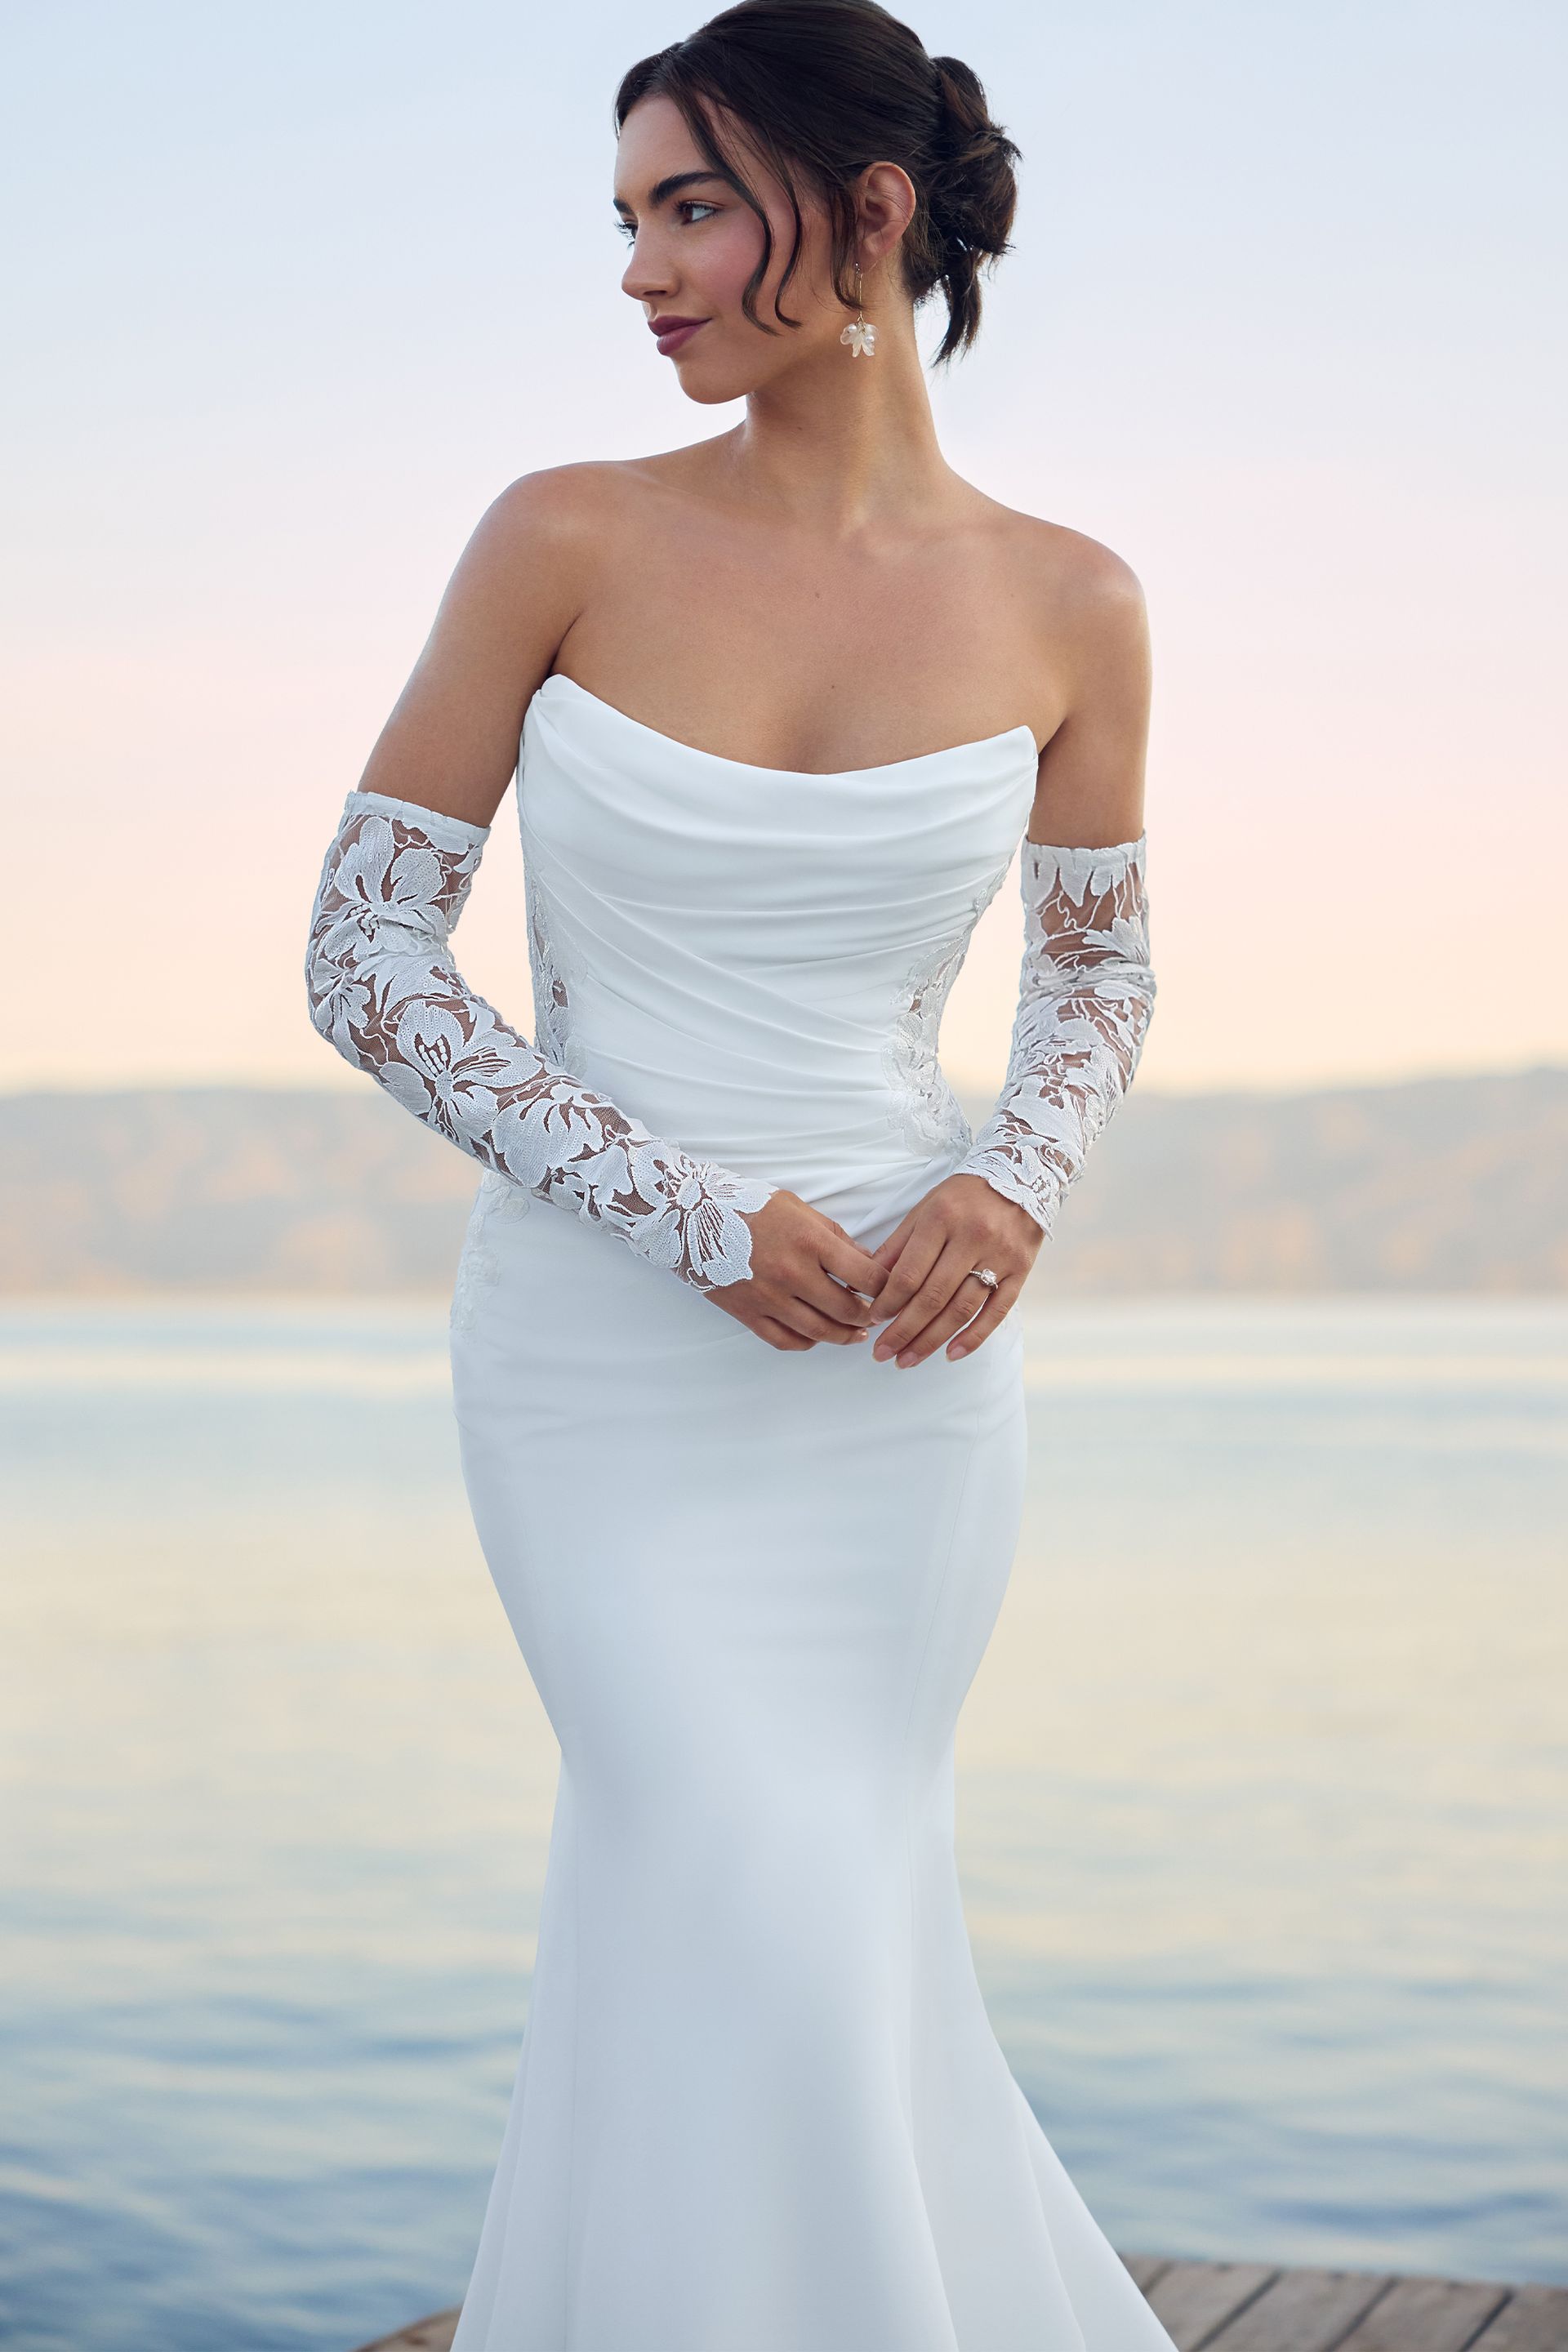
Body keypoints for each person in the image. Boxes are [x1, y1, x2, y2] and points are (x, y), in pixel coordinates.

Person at [305, 3, 1169, 2344]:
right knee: (734, 1872)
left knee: (827, 1908)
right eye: (629, 220)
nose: (639, 274)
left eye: (691, 208)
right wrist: (683, 1213)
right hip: (605, 1356)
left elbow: (1096, 979)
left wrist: (1015, 1185)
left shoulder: (1074, 600)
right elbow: (367, 953)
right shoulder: (563, 535)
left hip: (902, 1366)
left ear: (869, 213)